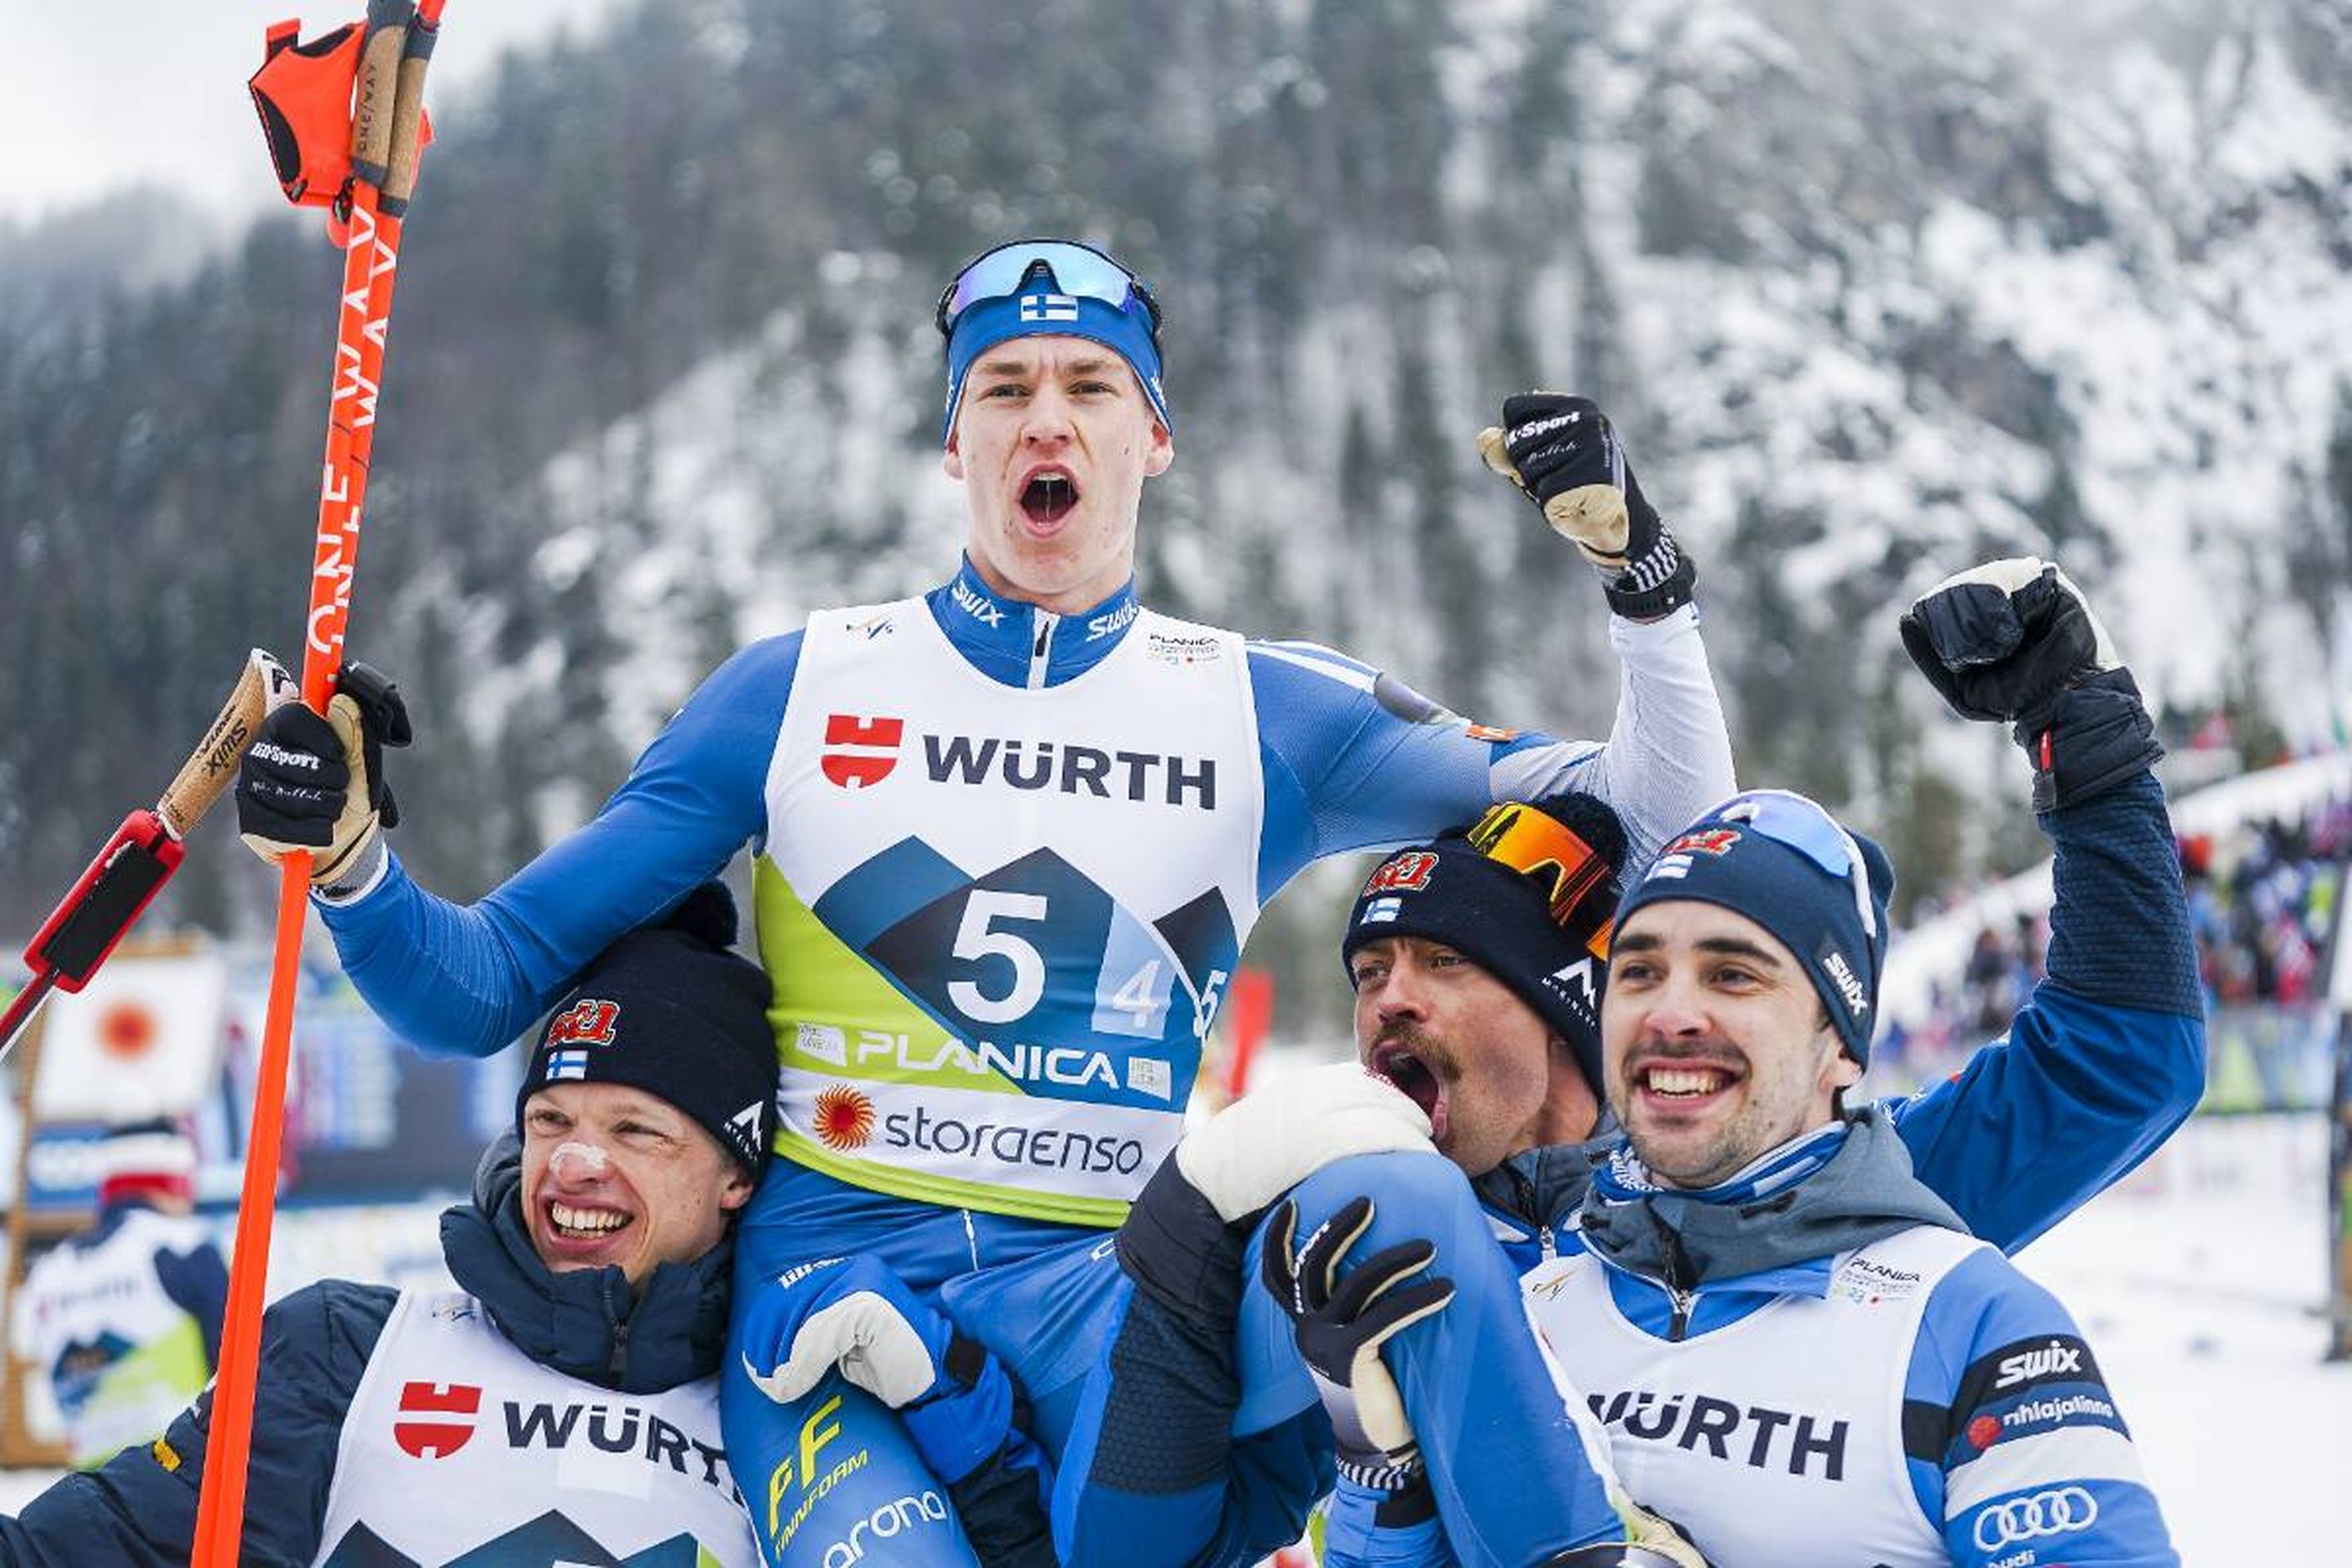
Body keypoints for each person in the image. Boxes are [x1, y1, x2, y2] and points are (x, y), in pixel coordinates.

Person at [231, 237, 1738, 1566]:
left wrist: (1645, 586)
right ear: (955, 447)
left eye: (1089, 384)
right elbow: (476, 989)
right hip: (829, 1301)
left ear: (1155, 438)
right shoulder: (797, 690)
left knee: (1399, 1205)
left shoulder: (1266, 712)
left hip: (1120, 1290)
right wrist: (349, 855)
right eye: (1003, 387)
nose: (1046, 416)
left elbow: (1674, 829)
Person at [1086, 558, 2203, 1566]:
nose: (1392, 1001)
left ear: (1558, 1005)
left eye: (1439, 960)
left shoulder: (1832, 1187)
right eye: (1369, 971)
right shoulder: (1341, 1253)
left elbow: (2116, 1062)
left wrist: (2084, 742)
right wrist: (1187, 1261)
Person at [0, 888, 1045, 1566]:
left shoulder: (801, 1415)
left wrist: (956, 1410)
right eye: (552, 1121)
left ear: (736, 1172)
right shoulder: (346, 1353)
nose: (577, 1162)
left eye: (636, 1130)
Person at [10, 1122, 226, 1471]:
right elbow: (240, 1368)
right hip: (183, 1476)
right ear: (173, 1182)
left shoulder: (49, 1273)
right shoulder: (183, 1244)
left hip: (92, 1491)